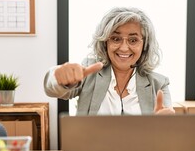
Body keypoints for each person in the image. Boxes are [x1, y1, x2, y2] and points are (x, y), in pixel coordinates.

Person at [44, 7, 175, 115]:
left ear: (145, 45)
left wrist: (165, 126)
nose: (124, 48)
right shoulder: (90, 71)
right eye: (116, 39)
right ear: (105, 42)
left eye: (133, 40)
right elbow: (52, 89)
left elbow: (167, 125)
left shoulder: (159, 84)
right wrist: (58, 77)